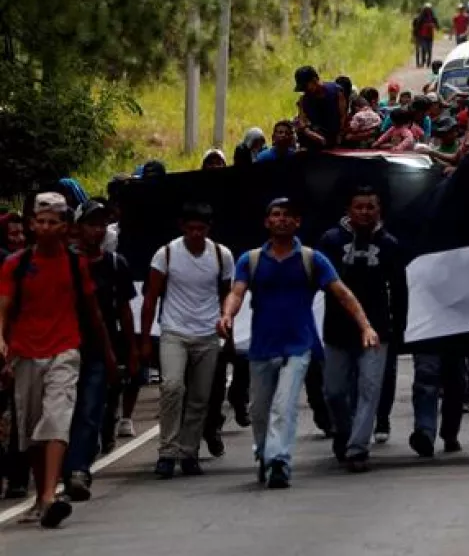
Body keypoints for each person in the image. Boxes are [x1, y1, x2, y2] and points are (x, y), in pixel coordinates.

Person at [219, 198, 378, 489]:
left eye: (288, 215)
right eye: (276, 214)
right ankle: (264, 453)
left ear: (297, 222)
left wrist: (365, 326)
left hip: (298, 345)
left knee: (285, 404)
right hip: (262, 347)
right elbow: (237, 292)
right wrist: (228, 315)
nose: (282, 219)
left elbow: (343, 294)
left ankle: (279, 461)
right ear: (267, 221)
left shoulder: (312, 259)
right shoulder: (250, 260)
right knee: (259, 410)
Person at [0, 193, 116, 528]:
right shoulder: (16, 265)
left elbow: (93, 313)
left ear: (65, 226)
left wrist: (108, 354)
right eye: (41, 221)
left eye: (54, 222)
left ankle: (50, 496)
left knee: (56, 419)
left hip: (65, 350)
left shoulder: (75, 264)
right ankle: (42, 496)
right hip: (25, 353)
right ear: (32, 224)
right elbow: (3, 310)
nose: (47, 228)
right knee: (33, 430)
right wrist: (3, 346)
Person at [141, 203, 233, 478]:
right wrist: (144, 340)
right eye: (191, 228)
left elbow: (226, 295)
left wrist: (227, 326)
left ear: (208, 228)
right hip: (174, 331)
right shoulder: (166, 254)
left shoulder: (221, 255)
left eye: (201, 229)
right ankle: (167, 451)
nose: (195, 234)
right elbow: (151, 298)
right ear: (182, 227)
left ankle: (189, 451)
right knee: (172, 387)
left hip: (207, 333)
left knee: (200, 397)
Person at [318, 188, 407, 472]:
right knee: (334, 391)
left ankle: (358, 448)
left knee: (369, 388)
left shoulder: (389, 244)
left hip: (377, 329)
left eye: (370, 207)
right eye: (359, 207)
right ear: (348, 210)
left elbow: (400, 290)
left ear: (379, 211)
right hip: (337, 329)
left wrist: (399, 328)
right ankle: (344, 431)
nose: (365, 212)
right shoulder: (331, 241)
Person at [62, 200, 137, 502]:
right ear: (78, 227)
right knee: (62, 409)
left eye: (102, 225)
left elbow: (124, 311)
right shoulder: (65, 263)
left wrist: (131, 350)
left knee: (90, 407)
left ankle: (77, 470)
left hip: (98, 347)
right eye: (92, 224)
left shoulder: (115, 264)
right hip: (62, 343)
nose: (97, 230)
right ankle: (64, 463)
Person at [294, 66, 348, 151]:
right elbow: (302, 122)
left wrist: (340, 135)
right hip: (317, 134)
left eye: (306, 87)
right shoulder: (304, 100)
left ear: (314, 80)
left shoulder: (336, 91)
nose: (305, 91)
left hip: (336, 133)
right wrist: (310, 132)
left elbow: (343, 116)